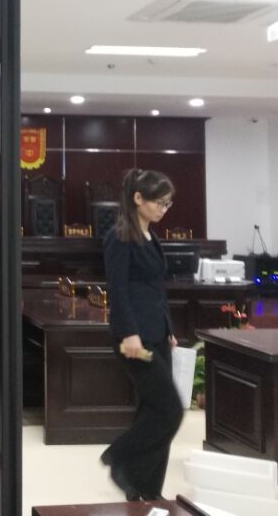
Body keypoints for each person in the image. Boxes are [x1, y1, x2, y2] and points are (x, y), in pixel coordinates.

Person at [100, 168, 184, 501]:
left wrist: (169, 330)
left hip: (157, 335)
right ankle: (118, 456)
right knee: (170, 409)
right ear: (138, 198)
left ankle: (146, 490)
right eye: (159, 202)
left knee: (153, 409)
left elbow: (155, 290)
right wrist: (130, 334)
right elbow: (118, 291)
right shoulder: (119, 237)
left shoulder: (152, 237)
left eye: (168, 204)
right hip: (134, 341)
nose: (164, 209)